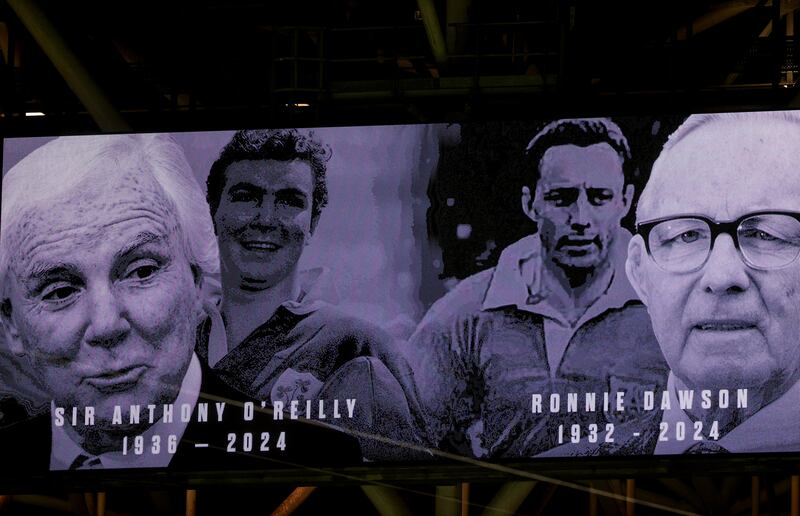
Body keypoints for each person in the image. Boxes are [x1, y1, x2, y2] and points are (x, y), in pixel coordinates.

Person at [0, 134, 360, 472]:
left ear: (197, 279)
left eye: (141, 271)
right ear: (10, 324)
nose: (107, 325)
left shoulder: (315, 466)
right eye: (61, 291)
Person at [406, 118, 668, 458]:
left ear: (626, 201)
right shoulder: (464, 314)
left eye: (599, 197)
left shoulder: (671, 304)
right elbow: (403, 435)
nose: (581, 219)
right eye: (561, 198)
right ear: (531, 203)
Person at [202, 129, 426, 460]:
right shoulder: (169, 335)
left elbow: (415, 488)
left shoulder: (358, 346)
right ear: (214, 212)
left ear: (313, 223)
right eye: (246, 196)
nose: (265, 219)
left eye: (289, 201)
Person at [624, 111, 800, 454]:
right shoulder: (549, 477)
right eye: (686, 235)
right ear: (638, 272)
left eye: (766, 234)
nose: (722, 277)